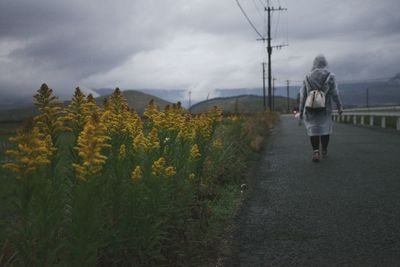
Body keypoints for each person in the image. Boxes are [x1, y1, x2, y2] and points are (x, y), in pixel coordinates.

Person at [299, 54, 343, 162]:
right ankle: (324, 150)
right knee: (325, 129)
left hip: (310, 108)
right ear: (325, 63)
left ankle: (315, 152)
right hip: (325, 109)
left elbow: (303, 96)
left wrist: (300, 112)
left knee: (313, 130)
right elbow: (335, 93)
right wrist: (339, 107)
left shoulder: (307, 77)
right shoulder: (330, 76)